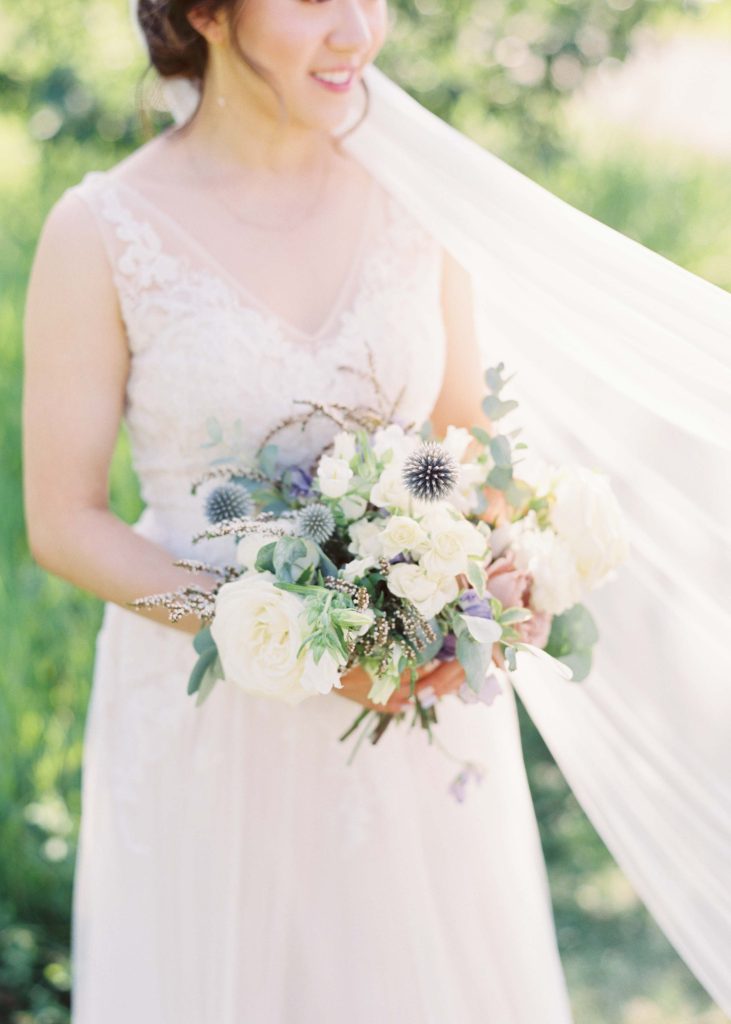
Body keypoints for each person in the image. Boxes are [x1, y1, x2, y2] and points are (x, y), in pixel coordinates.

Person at [22, 0, 731, 1021]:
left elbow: (460, 443)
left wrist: (495, 567)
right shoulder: (100, 231)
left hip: (416, 721)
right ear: (208, 12)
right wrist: (268, 636)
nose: (358, 28)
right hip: (206, 723)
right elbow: (64, 522)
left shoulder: (414, 202)